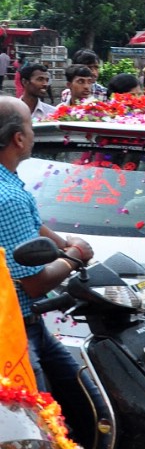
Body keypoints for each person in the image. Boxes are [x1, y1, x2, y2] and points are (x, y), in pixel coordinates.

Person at [0, 97, 97, 391]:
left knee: (80, 394)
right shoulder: (9, 197)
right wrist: (74, 257)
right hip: (13, 331)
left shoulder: (12, 185)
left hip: (32, 324)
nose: (33, 134)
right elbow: (34, 284)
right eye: (30, 126)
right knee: (41, 418)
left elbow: (34, 226)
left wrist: (65, 243)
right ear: (18, 139)